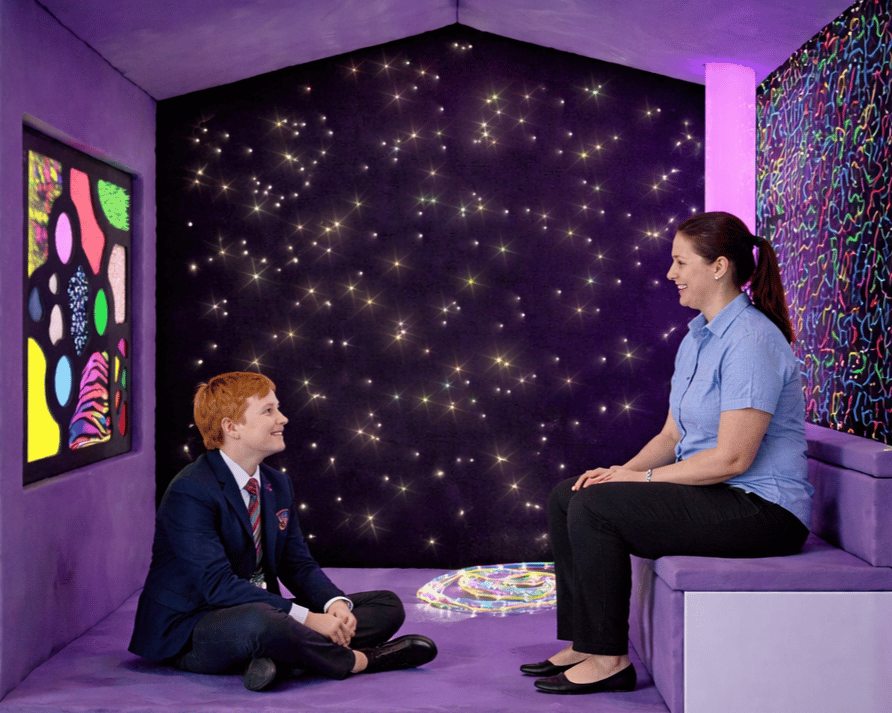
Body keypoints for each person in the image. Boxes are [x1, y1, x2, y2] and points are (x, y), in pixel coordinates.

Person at [522, 211, 813, 695]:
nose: (670, 274)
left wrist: (639, 482)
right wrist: (620, 471)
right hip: (720, 494)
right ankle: (586, 642)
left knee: (596, 509)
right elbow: (672, 434)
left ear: (718, 267)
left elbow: (733, 460)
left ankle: (611, 660)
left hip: (764, 510)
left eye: (680, 262)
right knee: (572, 494)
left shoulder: (752, 340)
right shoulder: (698, 337)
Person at [129, 371, 437, 691]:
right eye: (268, 411)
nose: (283, 418)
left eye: (278, 408)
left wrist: (334, 605)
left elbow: (296, 563)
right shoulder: (191, 490)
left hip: (265, 612)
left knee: (386, 604)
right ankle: (362, 660)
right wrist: (308, 618)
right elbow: (217, 586)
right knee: (263, 624)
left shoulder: (277, 483)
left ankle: (279, 660)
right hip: (195, 626)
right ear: (231, 427)